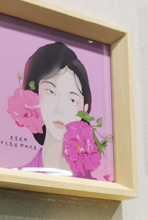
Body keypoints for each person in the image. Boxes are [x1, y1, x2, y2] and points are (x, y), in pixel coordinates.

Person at [17, 42, 93, 176]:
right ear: (33, 94)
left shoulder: (97, 183)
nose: (60, 110)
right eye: (51, 92)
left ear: (85, 110)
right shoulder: (16, 175)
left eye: (72, 100)